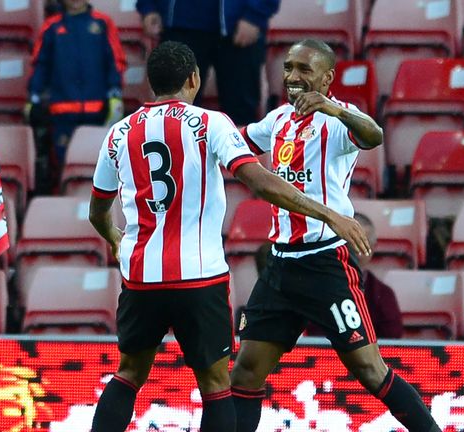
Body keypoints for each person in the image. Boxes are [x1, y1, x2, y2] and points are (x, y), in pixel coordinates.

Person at [88, 40, 370, 432]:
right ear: (194, 78)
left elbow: (97, 211)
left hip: (141, 276)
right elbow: (258, 180)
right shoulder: (210, 122)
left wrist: (116, 239)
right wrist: (328, 214)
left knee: (128, 374)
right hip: (199, 276)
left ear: (151, 83)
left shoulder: (118, 134)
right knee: (217, 385)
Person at [231, 39, 441, 432]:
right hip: (279, 267)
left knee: (369, 370)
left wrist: (332, 107)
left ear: (327, 78)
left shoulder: (339, 120)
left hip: (325, 263)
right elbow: (236, 142)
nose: (293, 76)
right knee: (245, 373)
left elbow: (374, 135)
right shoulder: (276, 120)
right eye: (289, 67)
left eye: (304, 70)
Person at [135, 0, 279, 126]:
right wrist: (149, 6)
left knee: (241, 114)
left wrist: (255, 15)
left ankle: (242, 157)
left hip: (240, 25)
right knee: (172, 112)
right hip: (179, 25)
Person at [28, 0, 126, 166]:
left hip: (98, 110)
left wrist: (115, 95)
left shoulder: (103, 23)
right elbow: (40, 65)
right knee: (63, 165)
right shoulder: (51, 26)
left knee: (98, 164)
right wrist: (33, 97)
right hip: (62, 112)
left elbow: (115, 62)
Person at [353, 212, 404, 339]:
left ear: (374, 247)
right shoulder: (322, 286)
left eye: (365, 243)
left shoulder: (384, 294)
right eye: (352, 242)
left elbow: (392, 343)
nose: (357, 251)